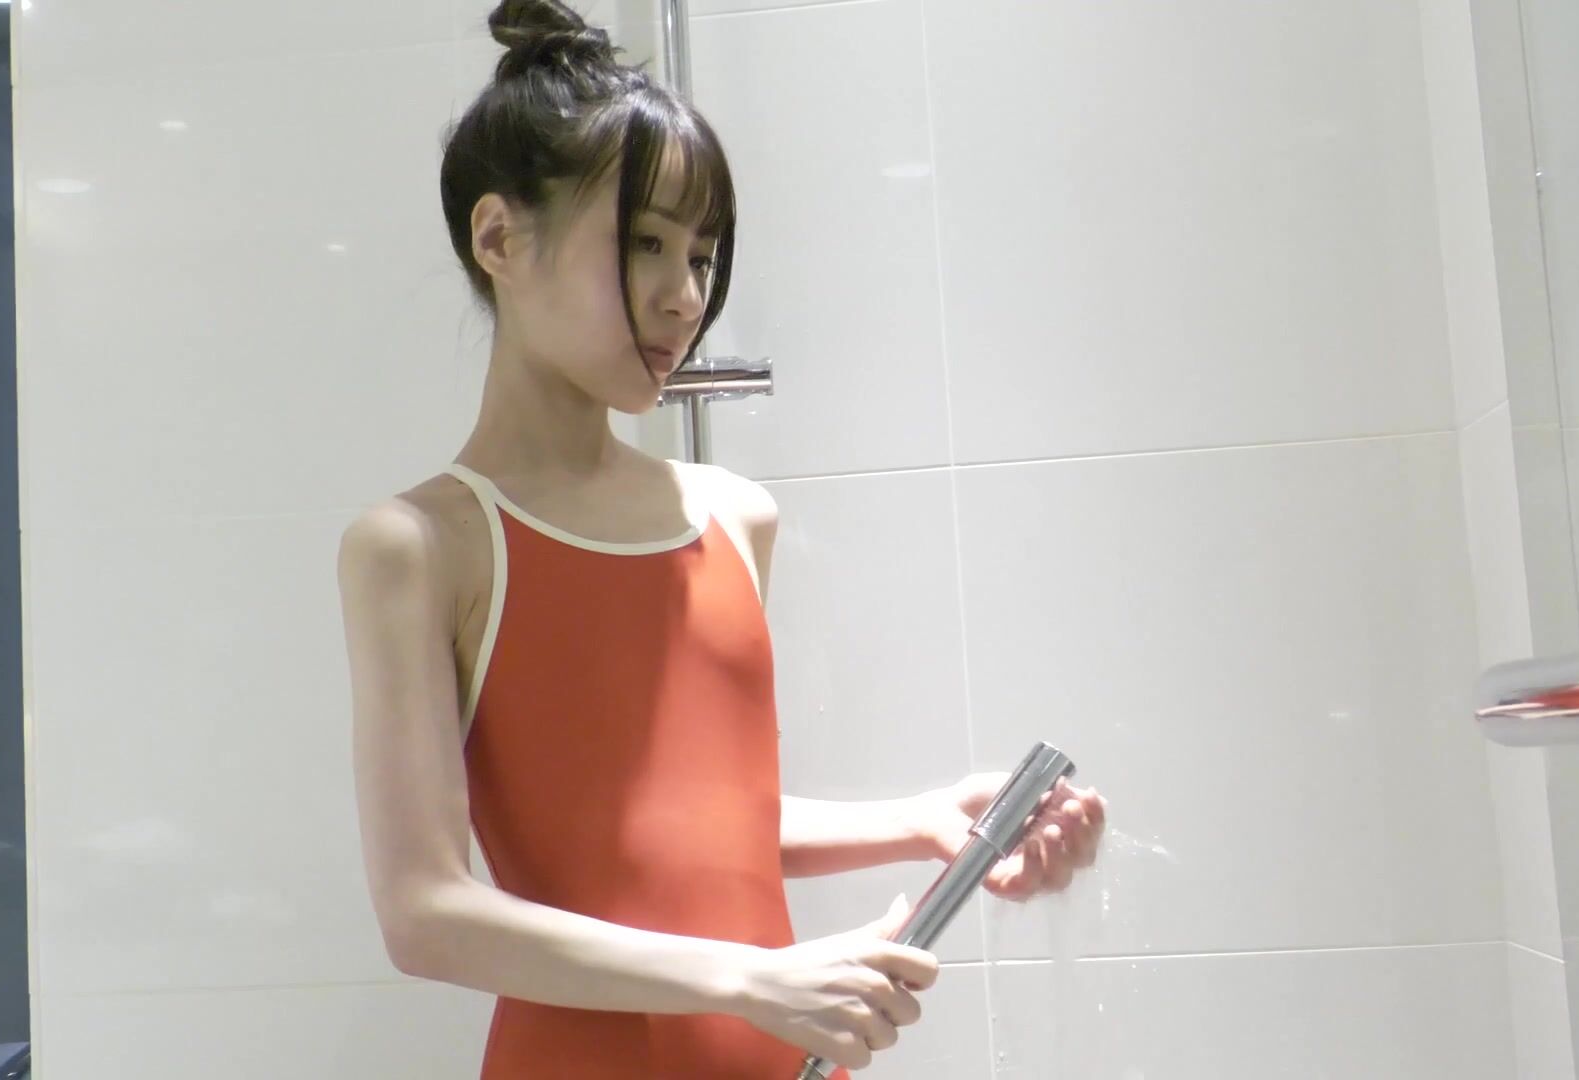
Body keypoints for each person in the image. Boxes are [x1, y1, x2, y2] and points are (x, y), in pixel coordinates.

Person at [334, 2, 1107, 1075]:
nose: (686, 295)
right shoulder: (421, 545)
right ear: (499, 238)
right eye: (645, 243)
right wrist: (749, 978)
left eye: (701, 254)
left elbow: (690, 824)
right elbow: (425, 914)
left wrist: (929, 822)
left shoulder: (735, 518)